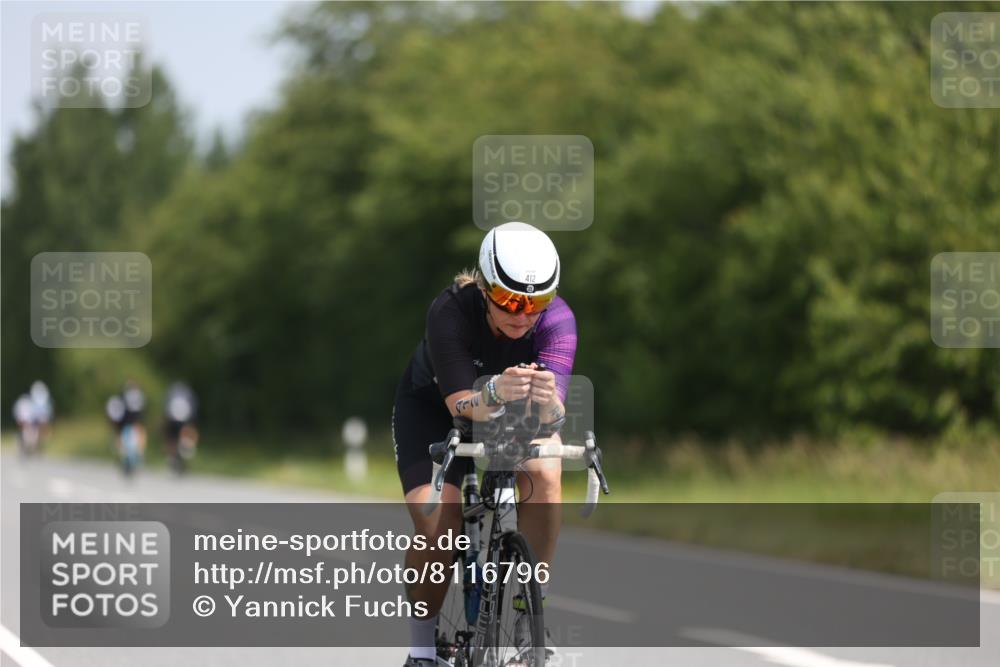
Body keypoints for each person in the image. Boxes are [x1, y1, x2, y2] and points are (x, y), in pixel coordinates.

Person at [392, 222, 577, 666]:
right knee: (439, 527)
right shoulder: (451, 310)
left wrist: (550, 402)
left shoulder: (558, 321)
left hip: (510, 413)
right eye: (512, 301)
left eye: (536, 303)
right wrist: (495, 390)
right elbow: (460, 402)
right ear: (487, 288)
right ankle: (421, 651)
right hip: (436, 410)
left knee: (547, 474)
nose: (523, 314)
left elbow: (553, 417)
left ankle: (527, 612)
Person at [162, 381, 199, 473]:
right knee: (182, 436)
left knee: (171, 438)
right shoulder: (188, 395)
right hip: (183, 421)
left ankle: (174, 455)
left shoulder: (171, 394)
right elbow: (193, 409)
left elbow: (166, 407)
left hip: (174, 420)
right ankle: (183, 450)